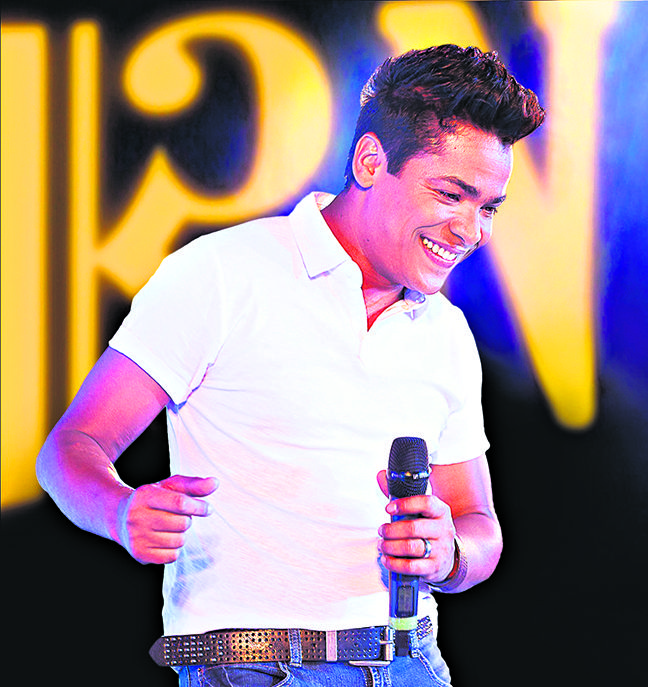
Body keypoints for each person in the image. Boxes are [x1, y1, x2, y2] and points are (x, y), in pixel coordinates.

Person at [37, 44, 544, 686]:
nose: (472, 230)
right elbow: (70, 448)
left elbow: (479, 527)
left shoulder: (445, 332)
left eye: (489, 207)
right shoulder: (222, 273)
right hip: (252, 667)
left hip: (412, 662)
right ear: (370, 162)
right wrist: (118, 512)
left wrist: (449, 553)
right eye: (451, 195)